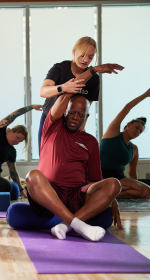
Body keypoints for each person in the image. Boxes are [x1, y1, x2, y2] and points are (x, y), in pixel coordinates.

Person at [26, 93, 122, 242]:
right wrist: (74, 84)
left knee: (114, 183)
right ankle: (78, 225)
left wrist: (112, 199)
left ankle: (65, 226)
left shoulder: (90, 142)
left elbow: (96, 180)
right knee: (32, 176)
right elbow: (61, 100)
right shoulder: (52, 128)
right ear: (65, 112)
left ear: (87, 117)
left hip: (76, 196)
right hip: (50, 193)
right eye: (71, 112)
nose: (75, 117)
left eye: (80, 114)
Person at [38, 36, 124, 151]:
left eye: (90, 57)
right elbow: (43, 91)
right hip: (50, 120)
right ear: (74, 52)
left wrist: (80, 132)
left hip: (72, 124)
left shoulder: (94, 79)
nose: (85, 60)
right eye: (82, 55)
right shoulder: (60, 68)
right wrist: (63, 87)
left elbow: (86, 110)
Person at [100, 86, 150, 199]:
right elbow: (127, 108)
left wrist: (138, 188)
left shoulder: (134, 149)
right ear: (128, 125)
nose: (138, 131)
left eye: (140, 131)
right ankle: (108, 192)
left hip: (120, 179)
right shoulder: (113, 132)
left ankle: (109, 195)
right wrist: (145, 95)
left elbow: (132, 174)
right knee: (140, 191)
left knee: (147, 190)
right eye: (136, 127)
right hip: (101, 176)